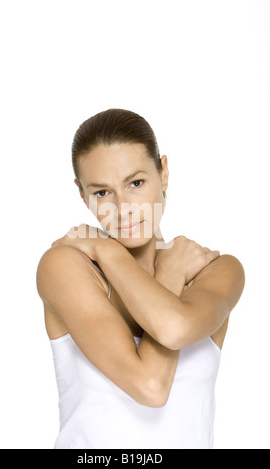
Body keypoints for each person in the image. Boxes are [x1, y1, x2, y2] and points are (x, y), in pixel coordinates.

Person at [36, 109, 245, 449]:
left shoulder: (214, 270)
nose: (123, 208)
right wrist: (111, 252)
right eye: (102, 192)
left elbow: (173, 328)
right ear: (81, 193)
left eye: (136, 183)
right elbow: (150, 386)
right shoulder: (65, 267)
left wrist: (110, 249)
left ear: (163, 173)